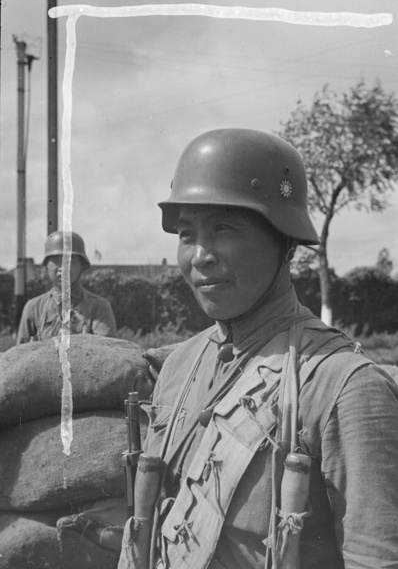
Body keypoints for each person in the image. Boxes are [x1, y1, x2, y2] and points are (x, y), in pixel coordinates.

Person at [118, 129, 398, 569]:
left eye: (224, 228)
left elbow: (375, 557)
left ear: (285, 241)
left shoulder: (343, 386)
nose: (200, 256)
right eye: (187, 235)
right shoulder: (180, 366)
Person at [17, 231, 116, 344]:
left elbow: (107, 354)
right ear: (46, 266)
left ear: (82, 265)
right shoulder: (34, 308)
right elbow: (18, 357)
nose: (62, 267)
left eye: (69, 260)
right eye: (55, 260)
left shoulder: (98, 307)